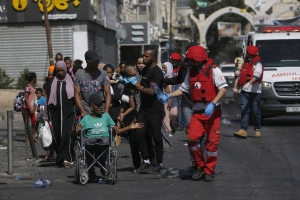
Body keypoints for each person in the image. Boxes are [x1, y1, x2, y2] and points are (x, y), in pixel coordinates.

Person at [158, 46, 228, 182]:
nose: (187, 62)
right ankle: (199, 166)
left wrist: (213, 103)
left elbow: (223, 89)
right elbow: (183, 90)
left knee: (211, 144)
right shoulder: (191, 72)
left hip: (213, 112)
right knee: (191, 137)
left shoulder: (214, 70)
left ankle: (209, 170)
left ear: (198, 60)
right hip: (198, 111)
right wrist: (169, 95)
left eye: (190, 60)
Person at [71, 94, 143, 182]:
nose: (101, 107)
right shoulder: (86, 119)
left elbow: (117, 131)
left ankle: (102, 164)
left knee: (105, 146)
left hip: (104, 141)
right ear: (91, 107)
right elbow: (73, 134)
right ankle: (91, 171)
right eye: (98, 105)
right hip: (89, 142)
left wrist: (129, 127)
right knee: (86, 149)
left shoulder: (106, 116)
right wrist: (76, 128)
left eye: (102, 105)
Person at [129, 46, 165, 173]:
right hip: (144, 109)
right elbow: (141, 87)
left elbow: (151, 91)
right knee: (139, 133)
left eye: (146, 56)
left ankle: (159, 162)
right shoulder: (145, 71)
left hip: (155, 109)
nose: (144, 58)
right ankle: (146, 161)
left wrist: (139, 88)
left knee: (156, 135)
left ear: (153, 58)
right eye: (143, 56)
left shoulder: (157, 72)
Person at [163, 42, 198, 166]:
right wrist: (163, 81)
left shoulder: (209, 68)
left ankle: (203, 163)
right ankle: (195, 162)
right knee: (191, 133)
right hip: (188, 103)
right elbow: (181, 83)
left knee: (202, 135)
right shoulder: (185, 66)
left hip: (202, 105)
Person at [47, 61, 76, 168]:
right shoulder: (52, 82)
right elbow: (48, 99)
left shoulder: (71, 81)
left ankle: (67, 158)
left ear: (66, 70)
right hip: (55, 113)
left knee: (67, 136)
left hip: (69, 113)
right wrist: (47, 114)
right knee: (57, 136)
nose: (60, 73)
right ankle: (60, 158)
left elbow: (76, 97)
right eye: (58, 71)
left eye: (62, 70)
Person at [233, 45, 263, 138]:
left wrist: (249, 83)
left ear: (250, 53)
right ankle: (243, 130)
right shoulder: (245, 63)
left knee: (255, 111)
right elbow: (241, 72)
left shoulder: (258, 64)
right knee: (244, 110)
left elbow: (257, 75)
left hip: (255, 91)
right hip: (244, 91)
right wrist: (238, 73)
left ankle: (257, 129)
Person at [74, 50, 111, 117]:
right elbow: (77, 94)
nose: (97, 64)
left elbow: (108, 93)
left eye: (98, 61)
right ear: (87, 62)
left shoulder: (103, 74)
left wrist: (106, 111)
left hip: (101, 111)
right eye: (95, 62)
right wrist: (82, 111)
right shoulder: (79, 75)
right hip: (86, 112)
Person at [162, 62, 179, 137]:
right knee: (166, 115)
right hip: (164, 98)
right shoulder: (162, 76)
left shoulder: (175, 76)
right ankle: (167, 130)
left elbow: (178, 88)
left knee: (174, 114)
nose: (163, 69)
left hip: (174, 98)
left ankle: (172, 125)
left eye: (165, 68)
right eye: (162, 68)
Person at [23, 72, 39, 143]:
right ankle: (27, 138)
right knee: (27, 123)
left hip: (32, 108)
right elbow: (26, 98)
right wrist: (29, 107)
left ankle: (33, 136)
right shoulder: (28, 87)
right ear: (34, 79)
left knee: (33, 123)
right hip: (27, 108)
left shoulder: (32, 87)